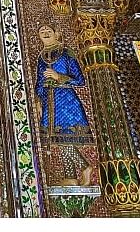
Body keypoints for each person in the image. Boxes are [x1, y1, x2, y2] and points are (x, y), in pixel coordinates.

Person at [36, 24, 96, 185]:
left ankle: (84, 166)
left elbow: (80, 80)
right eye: (42, 32)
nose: (46, 33)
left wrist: (58, 76)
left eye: (49, 30)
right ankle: (70, 177)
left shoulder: (66, 53)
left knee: (64, 137)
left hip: (65, 100)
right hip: (49, 100)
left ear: (57, 33)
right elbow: (39, 82)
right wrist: (38, 101)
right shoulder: (41, 57)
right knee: (58, 138)